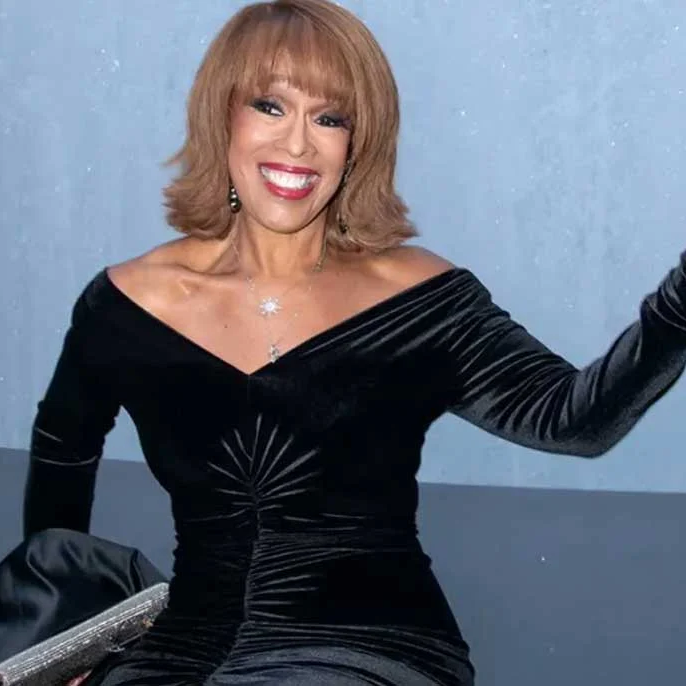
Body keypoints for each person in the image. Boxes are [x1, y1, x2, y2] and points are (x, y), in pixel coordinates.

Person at [13, 0, 686, 684]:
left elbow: (574, 419)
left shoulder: (421, 298)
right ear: (222, 117)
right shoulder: (128, 302)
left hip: (366, 647)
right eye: (271, 106)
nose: (298, 144)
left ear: (358, 144)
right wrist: (64, 634)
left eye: (329, 118)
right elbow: (64, 446)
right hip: (177, 647)